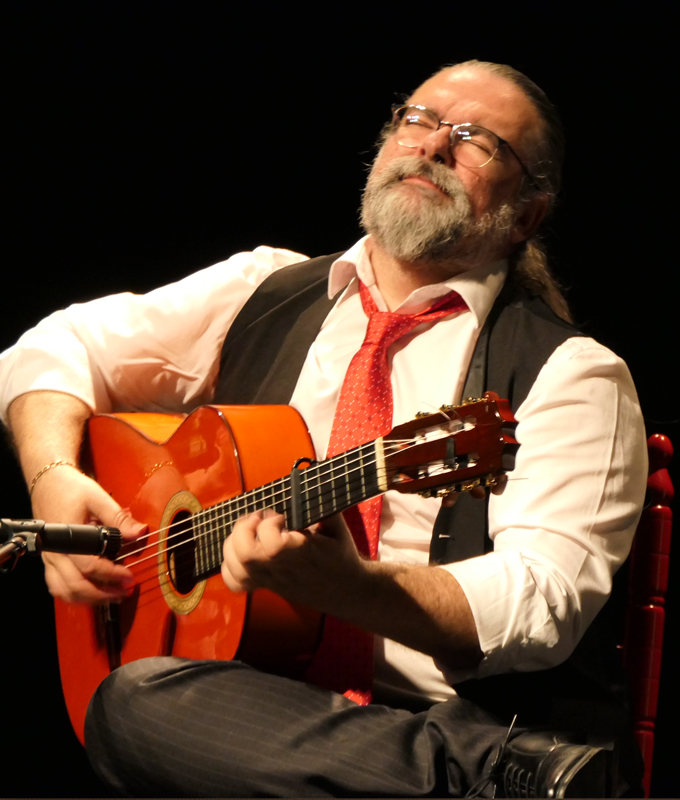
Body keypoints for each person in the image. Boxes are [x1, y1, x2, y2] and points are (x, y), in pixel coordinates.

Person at [0, 60, 647, 797]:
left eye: (475, 139)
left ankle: (496, 773)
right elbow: (52, 347)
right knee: (128, 704)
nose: (433, 145)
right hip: (260, 705)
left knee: (134, 713)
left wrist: (357, 589)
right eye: (419, 119)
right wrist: (53, 476)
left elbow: (541, 599)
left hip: (456, 715)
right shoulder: (262, 289)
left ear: (528, 213)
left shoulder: (572, 373)